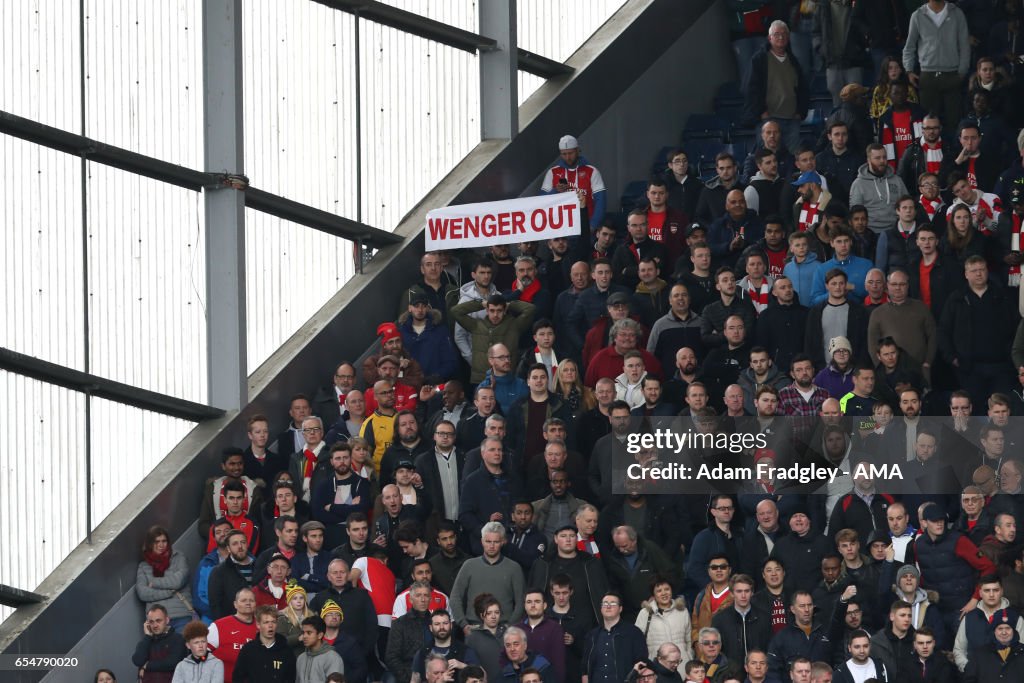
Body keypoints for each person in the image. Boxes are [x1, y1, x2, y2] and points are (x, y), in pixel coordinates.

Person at [902, 0, 971, 134]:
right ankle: (929, 154)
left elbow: (964, 46)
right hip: (928, 76)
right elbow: (909, 46)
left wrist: (962, 72)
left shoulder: (957, 13)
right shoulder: (917, 15)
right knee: (929, 124)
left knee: (954, 122)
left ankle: (953, 153)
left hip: (952, 74)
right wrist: (909, 70)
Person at [743, 21, 809, 153]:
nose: (781, 37)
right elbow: (751, 88)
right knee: (768, 159)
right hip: (768, 119)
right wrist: (762, 112)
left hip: (792, 120)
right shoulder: (759, 59)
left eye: (784, 34)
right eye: (777, 34)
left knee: (793, 159)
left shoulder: (794, 61)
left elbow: (803, 89)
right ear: (769, 38)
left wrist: (800, 112)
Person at [540, 134, 607, 229]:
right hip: (560, 232)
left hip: (585, 228)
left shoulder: (591, 171)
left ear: (578, 150)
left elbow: (601, 201)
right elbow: (540, 202)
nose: (567, 157)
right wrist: (555, 190)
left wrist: (592, 226)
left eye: (570, 153)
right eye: (564, 154)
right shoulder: (552, 172)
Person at [136, 526, 194, 633]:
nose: (161, 545)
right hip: (156, 621)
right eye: (156, 542)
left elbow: (178, 581)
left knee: (183, 649)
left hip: (181, 616)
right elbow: (143, 593)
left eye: (164, 541)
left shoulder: (178, 557)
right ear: (150, 543)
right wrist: (169, 592)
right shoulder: (143, 566)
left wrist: (154, 583)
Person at [581, 592, 649, 683]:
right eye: (605, 603)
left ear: (620, 609)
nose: (608, 606)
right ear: (601, 608)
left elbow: (641, 662)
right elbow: (585, 668)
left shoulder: (633, 633)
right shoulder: (592, 635)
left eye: (613, 603)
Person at [765, 593, 831, 678]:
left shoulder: (825, 632)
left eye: (810, 605)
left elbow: (836, 661)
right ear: (793, 609)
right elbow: (772, 670)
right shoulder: (782, 637)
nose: (807, 609)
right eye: (802, 606)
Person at [850, 144, 910, 233]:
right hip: (870, 232)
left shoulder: (897, 180)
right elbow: (855, 213)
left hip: (896, 231)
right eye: (877, 158)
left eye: (884, 157)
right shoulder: (858, 184)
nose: (882, 161)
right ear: (868, 160)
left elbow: (907, 205)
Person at [232, 604, 296, 682]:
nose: (270, 625)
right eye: (266, 622)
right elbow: (238, 678)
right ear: (258, 625)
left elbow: (290, 679)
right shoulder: (248, 650)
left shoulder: (287, 651)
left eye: (273, 622)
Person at [208, 587, 259, 682]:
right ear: (235, 604)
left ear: (255, 604)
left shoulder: (262, 627)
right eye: (243, 600)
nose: (248, 603)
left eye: (251, 600)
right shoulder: (219, 626)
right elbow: (201, 654)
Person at [961, 607, 1024, 682]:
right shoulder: (979, 654)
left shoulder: (1022, 651)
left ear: (1014, 630)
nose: (1004, 632)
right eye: (1000, 628)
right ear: (994, 631)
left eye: (1008, 628)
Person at [208, 529, 256, 620]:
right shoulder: (219, 572)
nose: (240, 546)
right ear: (228, 549)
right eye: (235, 544)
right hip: (232, 624)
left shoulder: (259, 566)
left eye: (243, 542)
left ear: (247, 544)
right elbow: (215, 606)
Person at [133, 604, 187, 683]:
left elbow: (172, 663)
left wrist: (146, 665)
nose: (155, 625)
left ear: (167, 620)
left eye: (158, 621)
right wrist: (147, 636)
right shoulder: (146, 641)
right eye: (151, 622)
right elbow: (137, 661)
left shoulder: (178, 639)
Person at [294, 616, 345, 683]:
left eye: (309, 633)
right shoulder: (301, 658)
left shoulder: (333, 658)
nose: (304, 636)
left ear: (320, 635)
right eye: (303, 633)